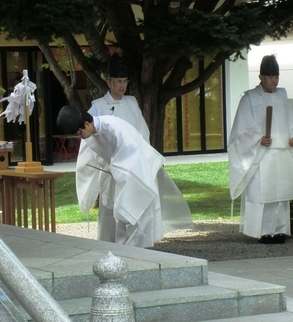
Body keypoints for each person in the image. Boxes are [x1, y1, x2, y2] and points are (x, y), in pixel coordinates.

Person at [58, 105, 193, 248]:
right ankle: (124, 252)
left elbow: (132, 156)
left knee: (138, 217)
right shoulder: (90, 134)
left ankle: (140, 255)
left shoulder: (114, 127)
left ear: (86, 123)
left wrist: (113, 168)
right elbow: (91, 158)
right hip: (121, 175)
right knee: (121, 215)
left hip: (139, 174)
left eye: (79, 133)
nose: (80, 137)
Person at [228, 55, 293, 244]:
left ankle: (279, 231)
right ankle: (262, 232)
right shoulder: (249, 98)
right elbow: (241, 130)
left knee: (281, 194)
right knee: (261, 194)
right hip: (262, 155)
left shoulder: (282, 96)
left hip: (282, 153)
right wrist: (257, 139)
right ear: (261, 77)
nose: (274, 80)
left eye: (276, 77)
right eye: (270, 77)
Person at [80, 51, 150, 243]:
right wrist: (106, 161)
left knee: (132, 209)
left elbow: (142, 133)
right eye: (118, 81)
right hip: (109, 169)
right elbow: (88, 138)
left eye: (125, 81)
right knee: (110, 212)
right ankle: (107, 245)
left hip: (132, 168)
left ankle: (134, 246)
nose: (122, 86)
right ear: (109, 82)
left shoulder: (132, 103)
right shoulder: (97, 107)